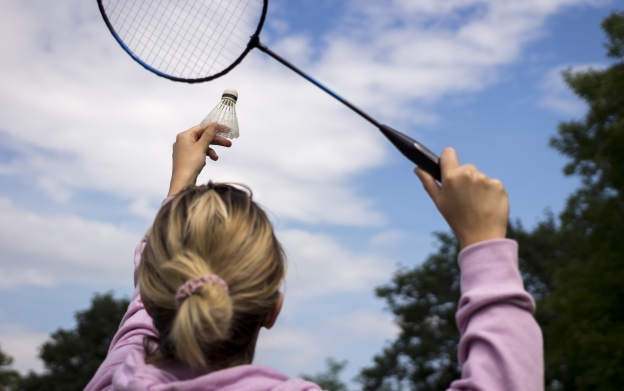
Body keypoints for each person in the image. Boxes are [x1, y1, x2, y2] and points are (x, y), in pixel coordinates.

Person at [85, 123, 543, 391]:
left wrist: (179, 188)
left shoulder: (118, 376)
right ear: (273, 309)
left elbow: (148, 302)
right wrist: (484, 243)